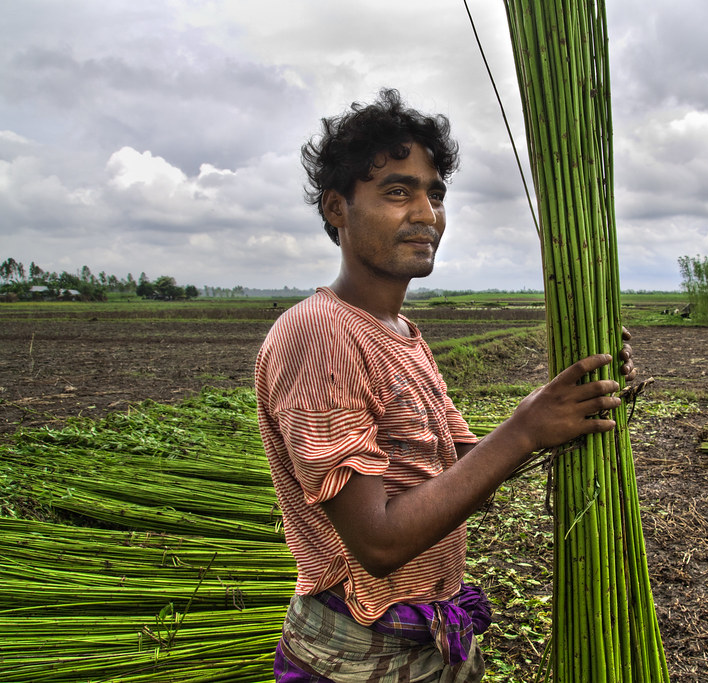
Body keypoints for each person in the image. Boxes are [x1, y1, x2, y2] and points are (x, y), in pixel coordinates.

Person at [255, 88, 635, 682]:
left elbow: (458, 465)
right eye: (397, 191)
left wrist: (573, 404)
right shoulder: (320, 333)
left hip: (431, 635)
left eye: (435, 195)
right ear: (337, 208)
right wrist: (524, 430)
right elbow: (376, 544)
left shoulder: (400, 330)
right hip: (360, 655)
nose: (426, 214)